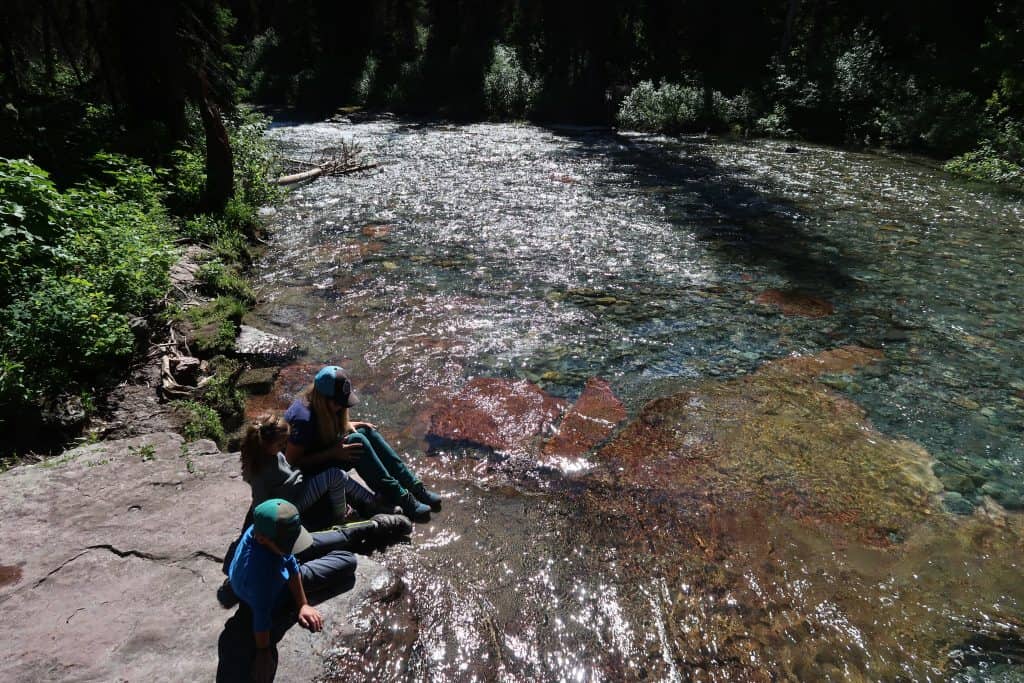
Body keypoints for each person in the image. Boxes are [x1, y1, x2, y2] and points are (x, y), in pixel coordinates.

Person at [222, 498, 411, 681]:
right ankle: (359, 539)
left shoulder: (258, 531)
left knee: (331, 539)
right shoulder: (263, 579)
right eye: (289, 544)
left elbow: (289, 560)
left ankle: (374, 525)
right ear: (262, 539)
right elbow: (261, 618)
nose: (292, 548)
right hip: (278, 587)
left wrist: (303, 602)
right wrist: (263, 651)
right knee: (348, 560)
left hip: (275, 560)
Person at [283, 365, 441, 521]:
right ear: (323, 399)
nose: (341, 407)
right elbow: (291, 463)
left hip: (323, 457)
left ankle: (414, 487)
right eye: (338, 403)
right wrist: (333, 453)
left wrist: (349, 424)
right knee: (357, 442)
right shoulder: (302, 418)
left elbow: (324, 429)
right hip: (306, 476)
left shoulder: (323, 407)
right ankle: (398, 496)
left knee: (366, 432)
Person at [239, 414, 392, 526]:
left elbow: (287, 472)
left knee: (335, 474)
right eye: (281, 444)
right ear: (266, 445)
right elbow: (260, 503)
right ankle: (341, 516)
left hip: (297, 489)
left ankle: (371, 501)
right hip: (293, 502)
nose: (284, 446)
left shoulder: (270, 454)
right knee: (335, 476)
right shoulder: (260, 470)